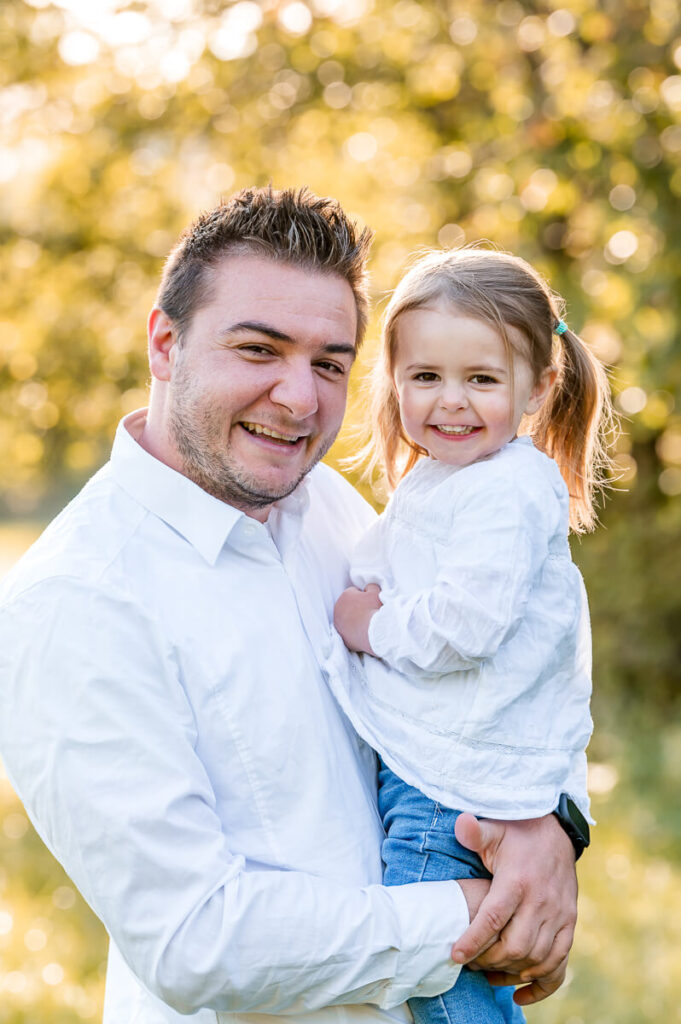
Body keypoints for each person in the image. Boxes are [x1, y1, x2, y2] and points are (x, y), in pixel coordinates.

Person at [0, 189, 579, 1024]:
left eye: (329, 363)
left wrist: (550, 830)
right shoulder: (77, 603)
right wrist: (480, 913)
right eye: (258, 349)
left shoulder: (331, 511)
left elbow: (500, 664)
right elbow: (197, 940)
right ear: (165, 343)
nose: (299, 399)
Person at [327, 246, 612, 1024]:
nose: (449, 402)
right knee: (462, 968)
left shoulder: (507, 490)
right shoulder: (454, 476)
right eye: (424, 378)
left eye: (480, 380)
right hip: (444, 769)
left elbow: (465, 627)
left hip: (447, 786)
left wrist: (370, 626)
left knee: (443, 973)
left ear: (536, 387)